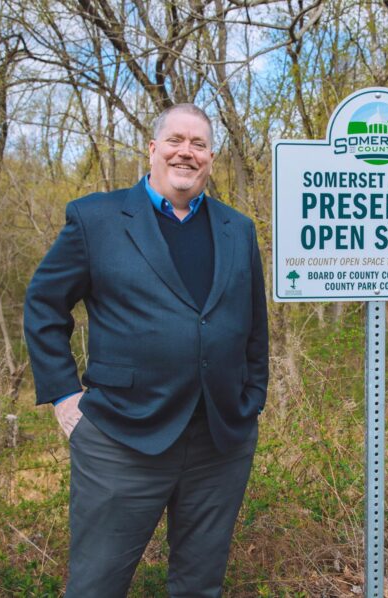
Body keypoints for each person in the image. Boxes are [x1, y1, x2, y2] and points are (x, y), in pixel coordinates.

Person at [24, 103, 268, 597]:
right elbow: (44, 305)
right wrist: (64, 395)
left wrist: (252, 398)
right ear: (153, 148)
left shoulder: (237, 229)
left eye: (199, 144)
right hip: (121, 435)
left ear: (211, 157)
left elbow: (253, 325)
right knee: (97, 586)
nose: (186, 152)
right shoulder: (96, 218)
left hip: (219, 440)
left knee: (199, 586)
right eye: (175, 140)